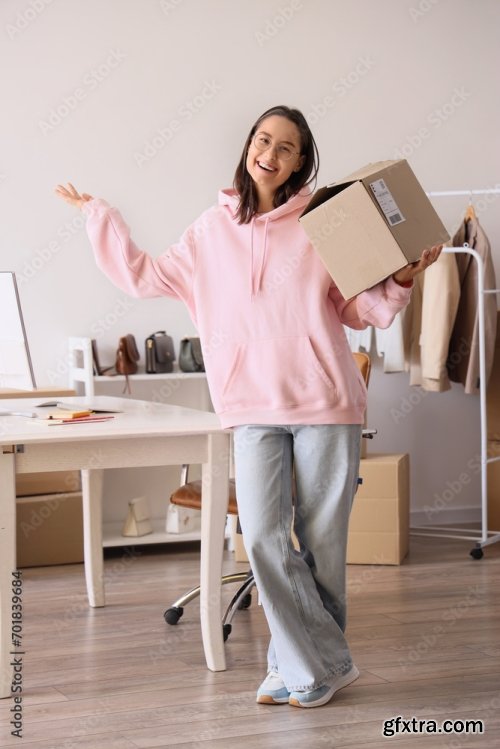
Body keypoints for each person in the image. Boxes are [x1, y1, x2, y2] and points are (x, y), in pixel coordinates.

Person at [55, 105, 442, 709]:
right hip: (250, 405)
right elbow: (145, 277)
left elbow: (357, 308)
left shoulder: (322, 225)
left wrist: (402, 280)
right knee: (262, 536)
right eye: (264, 139)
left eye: (287, 147)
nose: (271, 153)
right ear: (248, 146)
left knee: (321, 546)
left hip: (326, 401)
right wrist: (98, 217)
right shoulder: (210, 232)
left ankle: (293, 666)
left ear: (301, 162)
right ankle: (323, 663)